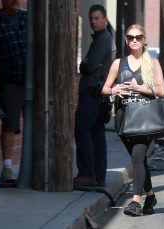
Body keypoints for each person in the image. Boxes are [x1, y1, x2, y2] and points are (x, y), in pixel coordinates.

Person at [101, 24, 164, 216]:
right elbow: (104, 89)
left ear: (144, 39)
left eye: (138, 37)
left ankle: (135, 202)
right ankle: (151, 196)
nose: (134, 40)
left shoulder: (152, 63)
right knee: (139, 161)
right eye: (130, 37)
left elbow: (162, 91)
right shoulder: (118, 63)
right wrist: (113, 90)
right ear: (126, 40)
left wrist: (139, 88)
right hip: (124, 118)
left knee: (138, 157)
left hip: (146, 119)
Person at [73, 4, 116, 187]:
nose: (93, 21)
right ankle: (98, 177)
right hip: (97, 94)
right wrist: (88, 63)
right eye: (91, 18)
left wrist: (85, 64)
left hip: (93, 94)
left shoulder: (104, 39)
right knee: (97, 135)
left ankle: (87, 174)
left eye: (97, 18)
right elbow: (90, 65)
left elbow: (88, 67)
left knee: (82, 131)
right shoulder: (101, 39)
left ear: (105, 20)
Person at [0, 0, 27, 183]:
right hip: (9, 81)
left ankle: (34, 165)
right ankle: (7, 168)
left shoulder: (26, 17)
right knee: (10, 125)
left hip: (32, 80)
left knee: (37, 122)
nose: (14, 0)